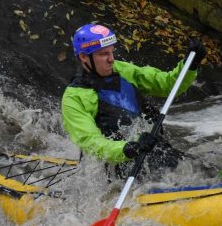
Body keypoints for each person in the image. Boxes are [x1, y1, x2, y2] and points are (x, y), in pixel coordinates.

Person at [61, 23, 206, 177]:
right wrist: (128, 149)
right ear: (84, 57)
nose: (111, 59)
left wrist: (190, 65)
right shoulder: (74, 98)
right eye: (103, 54)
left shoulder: (122, 70)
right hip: (116, 166)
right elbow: (90, 143)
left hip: (149, 149)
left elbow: (168, 85)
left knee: (204, 169)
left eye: (112, 52)